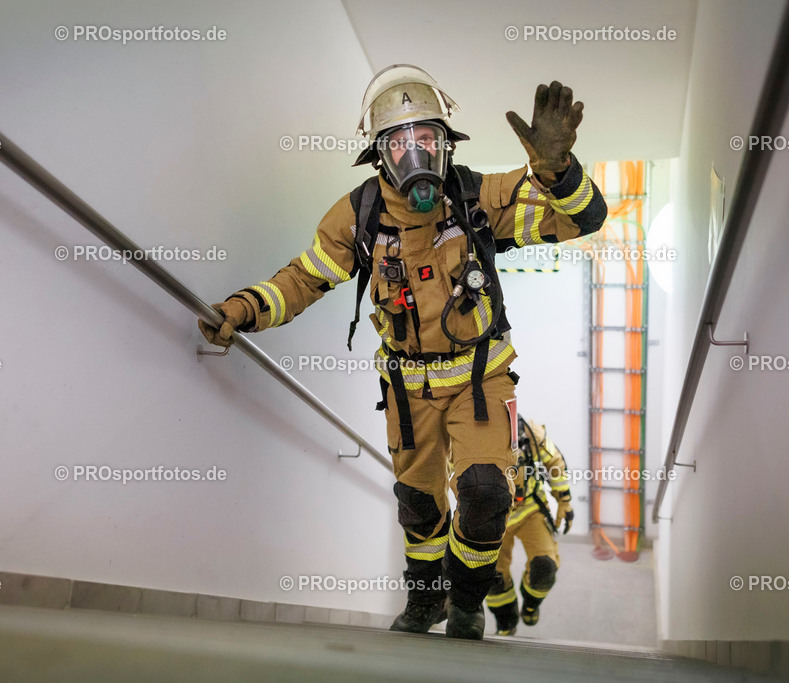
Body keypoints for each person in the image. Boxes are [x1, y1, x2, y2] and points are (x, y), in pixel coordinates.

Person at [199, 65, 605, 640]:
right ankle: (425, 601)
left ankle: (466, 601)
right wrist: (243, 309)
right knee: (417, 505)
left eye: (427, 139)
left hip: (480, 384)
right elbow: (303, 278)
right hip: (408, 391)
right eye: (399, 141)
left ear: (446, 145)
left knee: (487, 493)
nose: (416, 153)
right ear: (378, 153)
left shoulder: (478, 198)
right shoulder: (359, 216)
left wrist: (557, 170)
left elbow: (583, 218)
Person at [486, 416, 573, 635]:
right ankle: (506, 621)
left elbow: (555, 463)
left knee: (544, 568)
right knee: (491, 577)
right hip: (490, 514)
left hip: (530, 509)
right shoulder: (467, 433)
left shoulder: (531, 433)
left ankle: (531, 604)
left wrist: (564, 502)